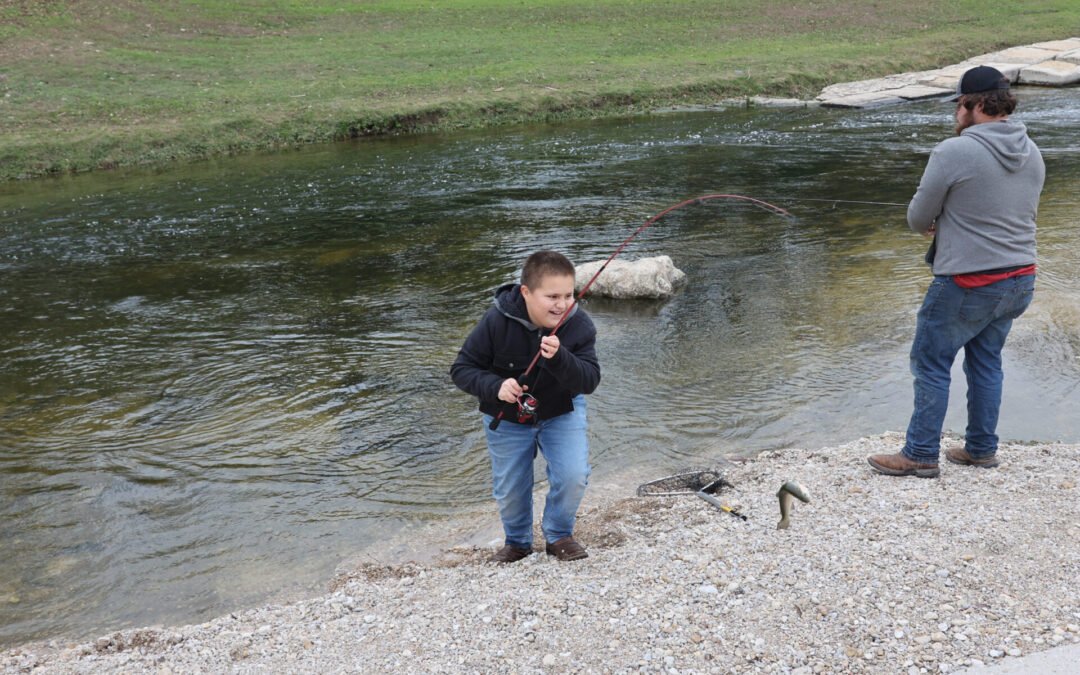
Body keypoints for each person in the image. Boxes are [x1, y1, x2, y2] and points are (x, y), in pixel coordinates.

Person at [868, 65, 1045, 478]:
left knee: (930, 363)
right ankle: (981, 449)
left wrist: (936, 220)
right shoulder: (1032, 150)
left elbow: (917, 218)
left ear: (979, 104)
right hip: (1021, 278)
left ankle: (920, 454)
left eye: (961, 105)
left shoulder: (954, 151)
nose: (956, 114)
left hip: (968, 282)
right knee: (986, 363)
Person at [451, 250, 601, 562]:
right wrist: (496, 387)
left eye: (568, 295)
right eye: (552, 296)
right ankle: (517, 543)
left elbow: (589, 381)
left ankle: (559, 535)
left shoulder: (579, 324)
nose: (562, 305)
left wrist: (561, 358)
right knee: (510, 488)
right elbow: (462, 369)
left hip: (562, 411)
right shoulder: (495, 320)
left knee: (573, 474)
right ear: (526, 292)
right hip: (506, 417)